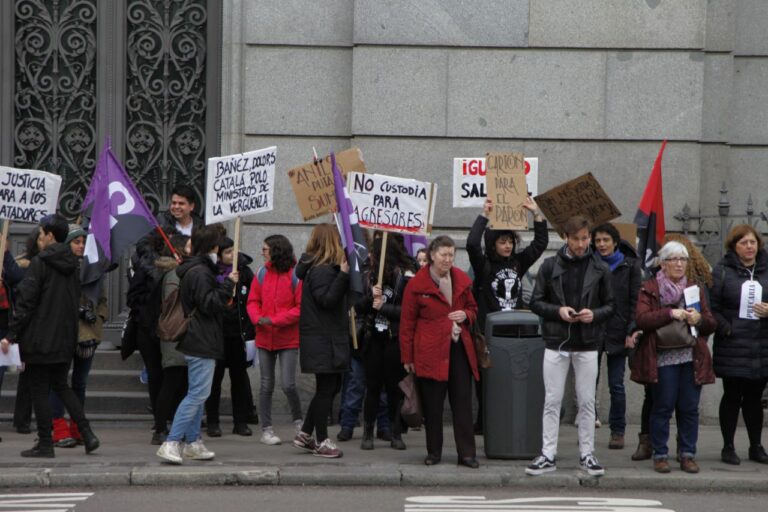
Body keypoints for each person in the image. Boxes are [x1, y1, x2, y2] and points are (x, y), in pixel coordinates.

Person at [1, 215, 99, 458]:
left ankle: (45, 442)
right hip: (65, 338)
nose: (40, 236)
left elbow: (26, 302)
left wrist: (11, 335)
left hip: (39, 338)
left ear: (50, 236)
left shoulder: (40, 263)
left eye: (42, 232)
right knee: (62, 386)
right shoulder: (72, 265)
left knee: (39, 390)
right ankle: (87, 433)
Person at [526, 215, 614, 477]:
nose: (581, 244)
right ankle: (548, 454)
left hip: (587, 343)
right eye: (576, 239)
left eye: (585, 238)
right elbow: (535, 302)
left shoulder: (600, 268)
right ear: (565, 238)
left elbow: (611, 305)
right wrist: (558, 311)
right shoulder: (550, 266)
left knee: (587, 403)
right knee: (552, 400)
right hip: (557, 341)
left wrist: (594, 315)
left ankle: (587, 455)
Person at [632, 241, 717, 474]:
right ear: (663, 263)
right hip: (661, 357)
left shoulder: (694, 289)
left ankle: (687, 454)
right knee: (662, 406)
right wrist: (671, 313)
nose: (679, 264)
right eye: (674, 259)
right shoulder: (650, 288)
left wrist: (698, 319)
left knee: (689, 408)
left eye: (683, 259)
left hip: (691, 357)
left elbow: (711, 324)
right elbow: (642, 319)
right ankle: (660, 454)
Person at [156, 225, 238, 464]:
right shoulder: (201, 272)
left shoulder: (196, 269)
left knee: (197, 393)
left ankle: (193, 442)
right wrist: (227, 285)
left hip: (197, 337)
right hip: (201, 338)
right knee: (197, 394)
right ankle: (172, 442)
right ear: (213, 246)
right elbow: (209, 303)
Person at [466, 197, 548, 434]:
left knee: (510, 377)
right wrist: (484, 215)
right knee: (486, 380)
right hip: (489, 332)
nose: (508, 246)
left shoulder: (517, 264)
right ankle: (484, 421)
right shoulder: (484, 266)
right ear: (493, 244)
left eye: (510, 241)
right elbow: (471, 244)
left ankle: (507, 418)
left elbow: (540, 244)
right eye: (502, 242)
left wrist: (537, 215)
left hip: (515, 331)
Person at [400, 235, 480, 468]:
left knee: (462, 404)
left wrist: (466, 315)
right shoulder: (417, 285)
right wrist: (407, 357)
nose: (448, 260)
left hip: (458, 349)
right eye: (443, 255)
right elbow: (407, 323)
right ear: (432, 255)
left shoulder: (462, 280)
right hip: (429, 351)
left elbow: (473, 308)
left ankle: (467, 454)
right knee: (433, 406)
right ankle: (434, 452)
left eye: (451, 255)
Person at [710, 225, 768, 465]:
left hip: (761, 343)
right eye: (743, 242)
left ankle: (756, 446)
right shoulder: (722, 271)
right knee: (732, 396)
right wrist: (726, 328)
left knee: (755, 399)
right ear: (734, 246)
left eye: (752, 242)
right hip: (733, 344)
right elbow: (711, 307)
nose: (749, 247)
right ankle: (728, 446)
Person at [292, 224, 351, 459]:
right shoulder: (321, 270)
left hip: (325, 338)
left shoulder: (321, 269)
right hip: (322, 340)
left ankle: (306, 433)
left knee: (331, 387)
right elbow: (327, 300)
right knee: (326, 389)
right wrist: (344, 275)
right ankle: (321, 440)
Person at [50, 225, 108, 448]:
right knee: (58, 382)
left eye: (84, 242)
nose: (81, 246)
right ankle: (58, 427)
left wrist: (99, 317)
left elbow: (102, 300)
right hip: (63, 334)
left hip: (87, 336)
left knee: (80, 383)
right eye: (76, 242)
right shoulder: (58, 267)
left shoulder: (93, 268)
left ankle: (77, 426)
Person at [357, 232, 415, 451]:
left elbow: (408, 312)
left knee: (394, 389)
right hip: (373, 339)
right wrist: (370, 297)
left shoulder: (405, 277)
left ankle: (395, 432)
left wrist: (385, 307)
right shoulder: (368, 276)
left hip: (394, 339)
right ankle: (368, 433)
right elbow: (357, 307)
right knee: (372, 388)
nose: (370, 256)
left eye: (374, 253)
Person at [246, 234, 304, 445]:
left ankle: (300, 425)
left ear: (276, 250)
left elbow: (300, 308)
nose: (262, 252)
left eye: (265, 249)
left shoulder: (295, 275)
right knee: (265, 385)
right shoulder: (261, 273)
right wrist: (256, 318)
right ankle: (267, 430)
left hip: (287, 338)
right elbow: (252, 301)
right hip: (264, 337)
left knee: (288, 384)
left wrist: (275, 320)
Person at [590, 223, 642, 450]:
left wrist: (631, 329)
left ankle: (618, 431)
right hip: (591, 331)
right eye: (598, 240)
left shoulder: (629, 266)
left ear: (615, 241)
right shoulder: (589, 263)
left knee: (616, 385)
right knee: (588, 384)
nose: (601, 244)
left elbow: (635, 301)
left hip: (618, 332)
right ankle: (586, 427)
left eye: (605, 240)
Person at [206, 237, 256, 437]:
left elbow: (252, 298)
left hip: (238, 333)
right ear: (218, 255)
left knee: (239, 379)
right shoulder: (210, 272)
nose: (232, 255)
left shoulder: (244, 272)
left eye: (234, 251)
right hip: (217, 333)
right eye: (227, 252)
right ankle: (212, 422)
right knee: (214, 380)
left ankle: (240, 421)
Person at [153, 234, 190, 445]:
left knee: (179, 384)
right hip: (175, 334)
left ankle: (174, 427)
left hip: (176, 334)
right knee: (172, 383)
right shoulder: (174, 275)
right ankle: (160, 428)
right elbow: (173, 306)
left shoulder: (174, 273)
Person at [11, 227, 42, 434]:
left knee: (31, 375)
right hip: (28, 324)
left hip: (34, 324)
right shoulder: (24, 266)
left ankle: (24, 419)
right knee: (29, 375)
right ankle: (22, 419)